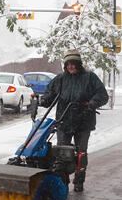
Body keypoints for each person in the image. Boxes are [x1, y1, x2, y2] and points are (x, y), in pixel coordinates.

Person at [40, 49, 109, 192]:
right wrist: (42, 100)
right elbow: (50, 93)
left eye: (73, 63)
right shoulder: (60, 79)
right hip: (64, 121)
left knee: (80, 153)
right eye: (68, 64)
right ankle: (62, 181)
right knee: (62, 153)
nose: (70, 66)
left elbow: (102, 95)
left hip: (83, 121)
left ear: (79, 64)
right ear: (65, 65)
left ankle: (79, 181)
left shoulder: (90, 77)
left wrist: (92, 103)